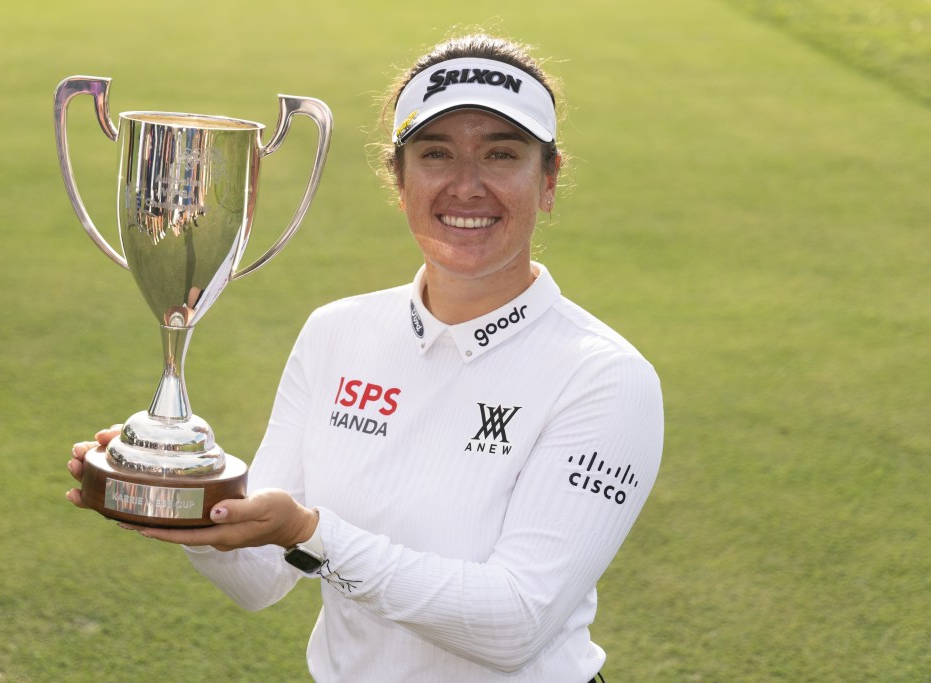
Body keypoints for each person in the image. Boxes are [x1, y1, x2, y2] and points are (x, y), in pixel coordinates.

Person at [68, 33, 663, 683]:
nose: (467, 185)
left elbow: (514, 622)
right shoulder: (337, 332)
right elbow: (260, 577)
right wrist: (182, 504)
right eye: (436, 153)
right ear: (399, 180)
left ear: (547, 181)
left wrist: (310, 533)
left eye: (501, 154)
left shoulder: (605, 376)